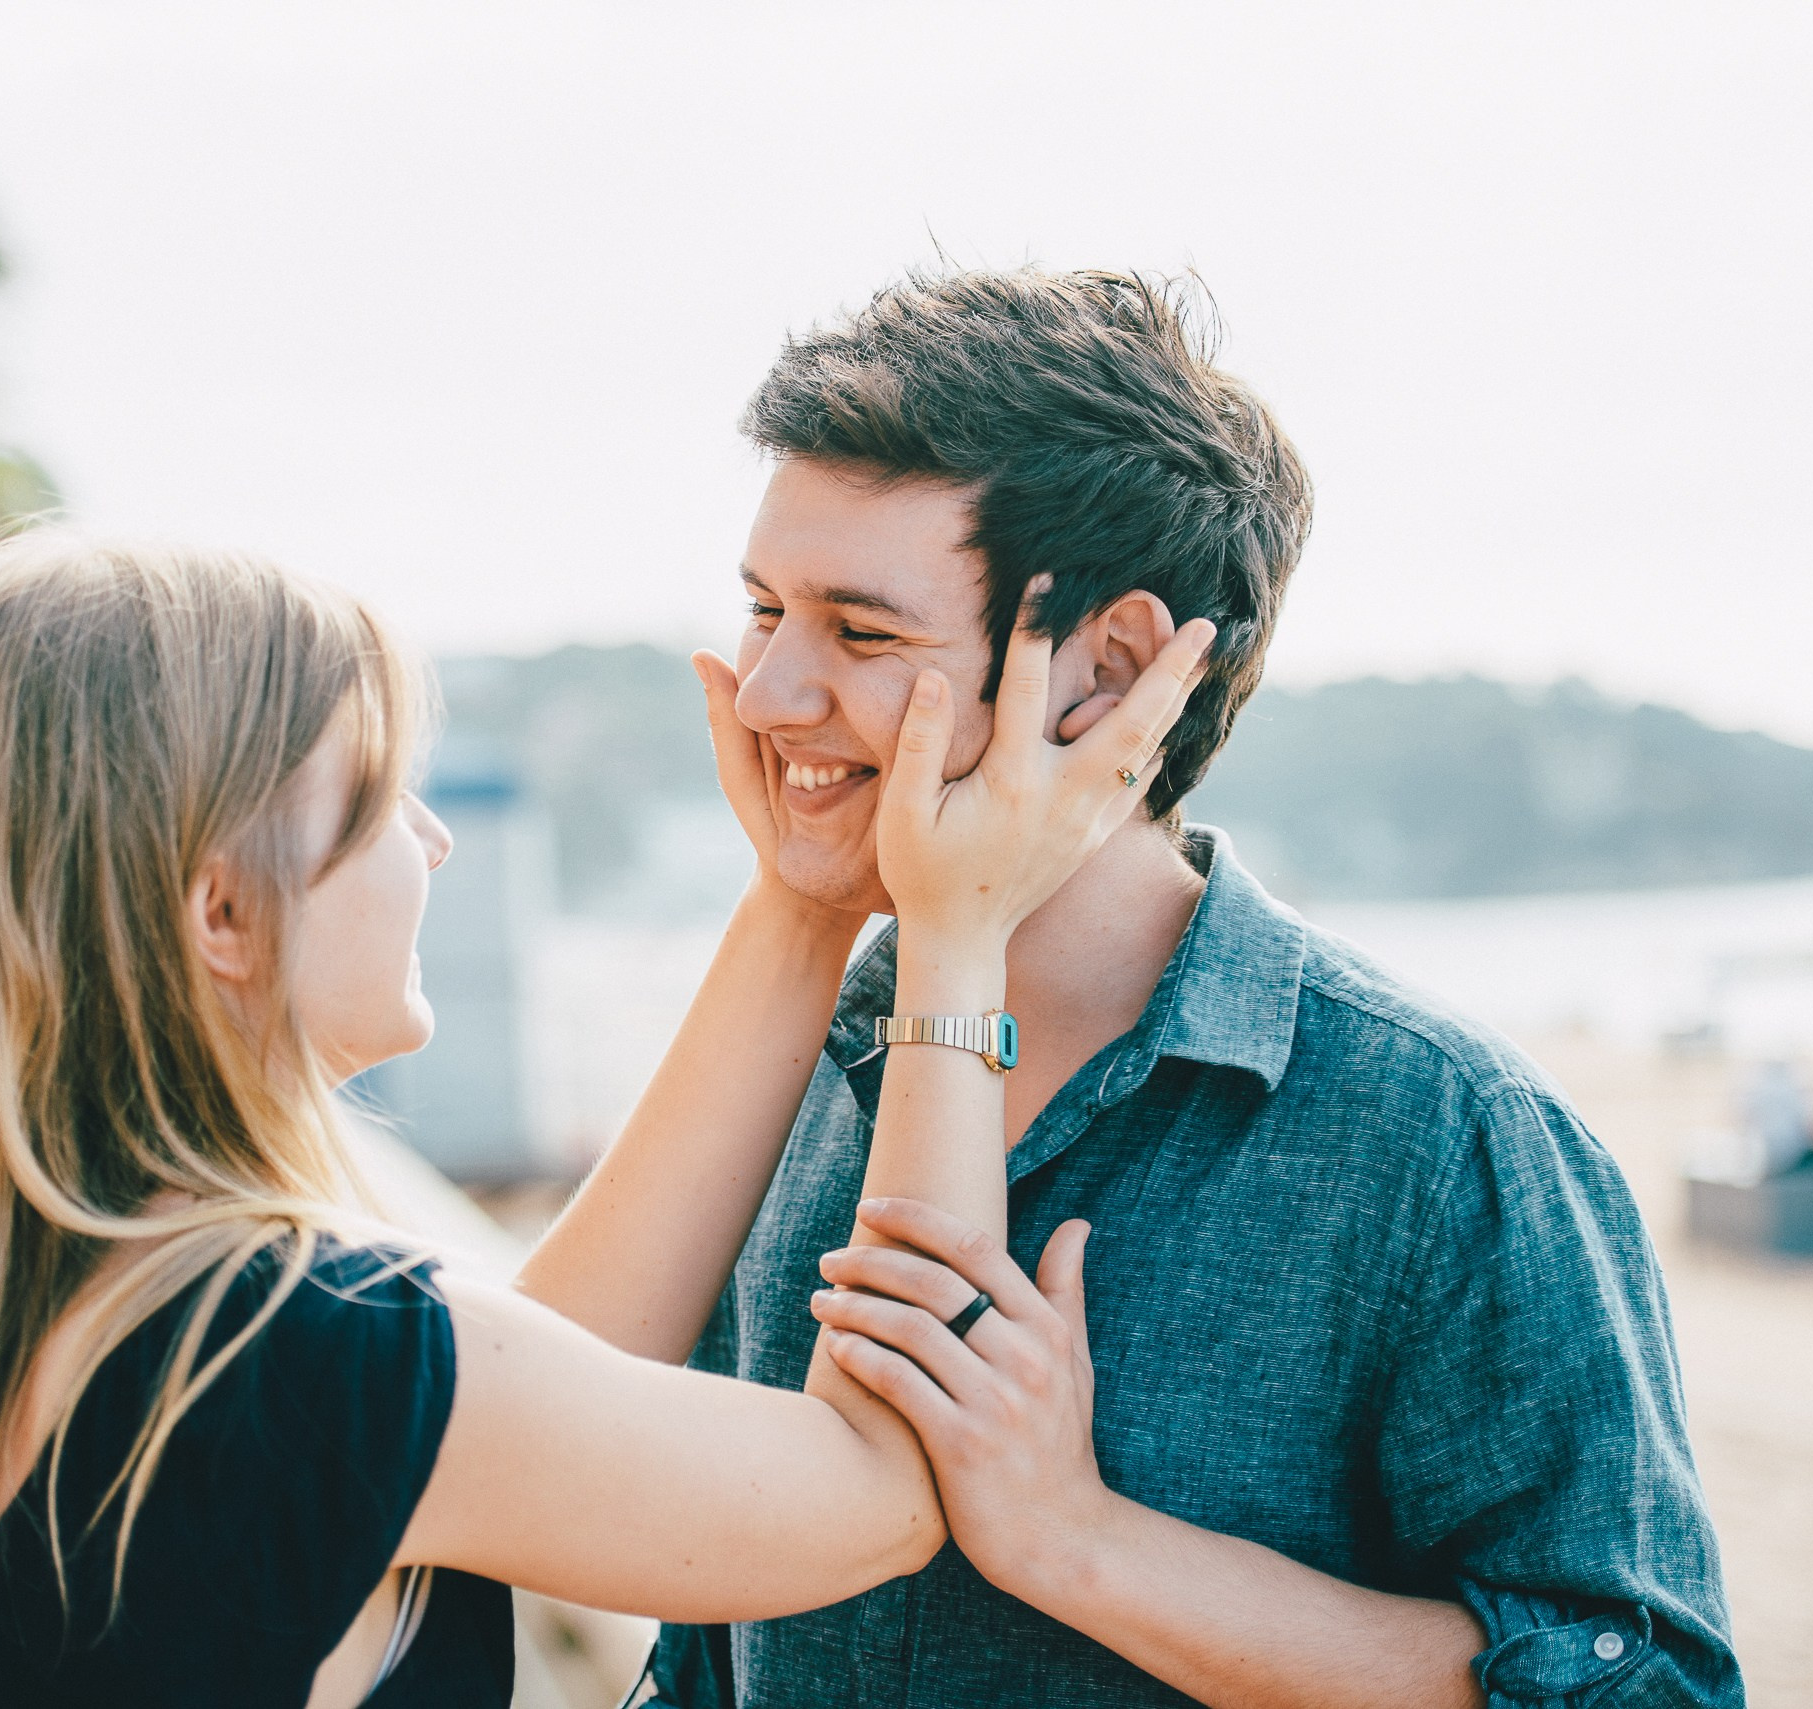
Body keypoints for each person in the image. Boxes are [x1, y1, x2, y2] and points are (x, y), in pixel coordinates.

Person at [0, 530, 1211, 1708]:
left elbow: (534, 1370)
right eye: (385, 795)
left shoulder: (20, 1303)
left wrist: (806, 897)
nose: (434, 840)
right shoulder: (297, 1342)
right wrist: (955, 936)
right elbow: (877, 1488)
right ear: (221, 910)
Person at [649, 268, 1742, 1708]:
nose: (769, 693)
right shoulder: (786, 1068)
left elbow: (1648, 1686)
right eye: (762, 610)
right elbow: (701, 1646)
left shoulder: (1440, 1131)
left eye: (860, 632)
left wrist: (1084, 1543)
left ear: (1106, 667)